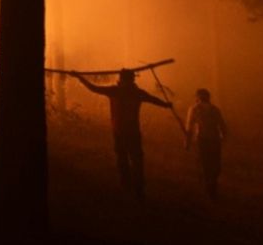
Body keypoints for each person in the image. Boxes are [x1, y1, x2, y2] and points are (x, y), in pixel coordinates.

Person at [75, 69, 173, 198]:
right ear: (132, 79)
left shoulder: (115, 90)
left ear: (121, 79)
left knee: (123, 159)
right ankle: (138, 188)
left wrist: (79, 77)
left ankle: (127, 186)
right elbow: (154, 100)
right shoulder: (137, 92)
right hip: (132, 131)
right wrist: (166, 104)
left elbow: (93, 88)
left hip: (119, 131)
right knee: (136, 159)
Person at [185, 88, 228, 199]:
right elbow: (222, 125)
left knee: (207, 164)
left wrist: (187, 142)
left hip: (205, 140)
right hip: (210, 140)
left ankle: (209, 187)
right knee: (212, 164)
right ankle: (210, 188)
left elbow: (189, 127)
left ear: (198, 97)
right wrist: (224, 136)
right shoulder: (213, 109)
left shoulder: (195, 109)